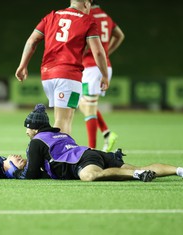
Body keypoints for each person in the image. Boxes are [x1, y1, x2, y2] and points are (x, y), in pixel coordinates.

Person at [15, 104, 183, 182]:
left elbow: (31, 173)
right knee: (142, 166)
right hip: (92, 153)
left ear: (35, 128)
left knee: (90, 176)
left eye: (28, 128)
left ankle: (137, 174)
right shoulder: (61, 135)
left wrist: (16, 173)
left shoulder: (37, 141)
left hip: (83, 161)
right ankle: (181, 170)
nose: (26, 131)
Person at [15, 0, 109, 135]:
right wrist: (105, 75)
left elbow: (32, 40)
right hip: (68, 76)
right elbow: (98, 52)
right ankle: (53, 152)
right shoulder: (87, 21)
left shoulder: (51, 16)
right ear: (86, 3)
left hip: (48, 75)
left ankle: (45, 143)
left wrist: (22, 65)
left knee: (63, 118)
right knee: (63, 120)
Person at [79, 0, 125, 152]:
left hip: (92, 68)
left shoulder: (88, 16)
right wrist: (106, 53)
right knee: (83, 103)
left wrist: (80, 53)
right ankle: (107, 133)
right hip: (101, 66)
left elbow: (86, 44)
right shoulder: (106, 16)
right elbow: (120, 35)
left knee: (89, 107)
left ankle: (91, 149)